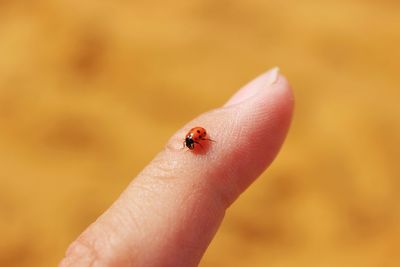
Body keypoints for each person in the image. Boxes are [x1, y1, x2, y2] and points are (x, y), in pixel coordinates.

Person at [59, 67, 294, 267]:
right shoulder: (193, 140)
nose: (193, 144)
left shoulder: (196, 139)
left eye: (192, 142)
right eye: (192, 143)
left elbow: (200, 138)